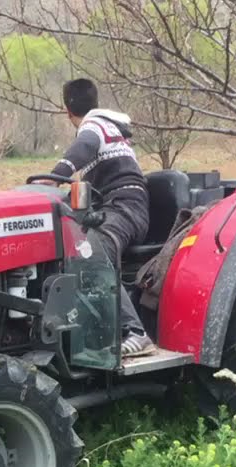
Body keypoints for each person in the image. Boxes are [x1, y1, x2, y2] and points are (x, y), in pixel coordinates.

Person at [38, 78, 155, 358]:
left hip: (126, 206)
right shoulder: (109, 127)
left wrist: (55, 176)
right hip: (114, 206)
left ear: (67, 111)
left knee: (90, 250)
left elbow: (85, 146)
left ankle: (136, 332)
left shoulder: (95, 126)